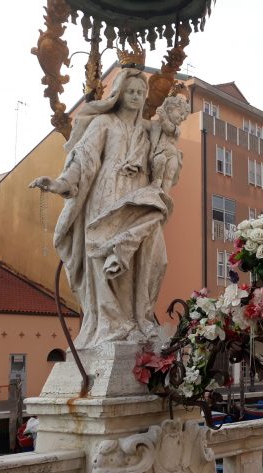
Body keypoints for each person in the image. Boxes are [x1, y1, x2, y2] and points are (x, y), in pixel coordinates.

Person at [30, 68, 171, 349]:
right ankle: (112, 324)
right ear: (118, 94)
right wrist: (61, 184)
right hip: (106, 196)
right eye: (130, 91)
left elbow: (166, 158)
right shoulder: (104, 123)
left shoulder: (147, 130)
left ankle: (139, 319)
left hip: (139, 197)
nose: (135, 97)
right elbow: (84, 159)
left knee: (154, 258)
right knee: (105, 260)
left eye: (140, 93)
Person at [149, 95, 189, 193]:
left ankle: (165, 195)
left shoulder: (176, 130)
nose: (182, 118)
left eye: (183, 117)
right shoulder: (154, 125)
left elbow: (169, 129)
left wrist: (163, 119)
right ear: (170, 109)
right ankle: (155, 187)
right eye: (180, 113)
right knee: (160, 163)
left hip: (173, 156)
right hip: (160, 153)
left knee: (169, 175)